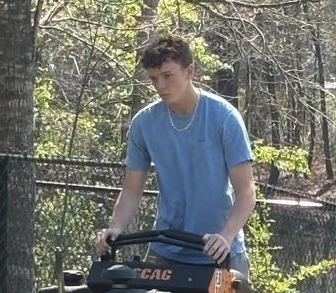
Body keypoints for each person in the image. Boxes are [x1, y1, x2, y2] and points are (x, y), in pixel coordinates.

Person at [95, 34, 256, 274]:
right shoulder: (144, 124)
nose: (160, 86)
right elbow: (131, 189)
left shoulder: (224, 118)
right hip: (166, 250)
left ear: (189, 71)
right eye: (153, 78)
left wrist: (225, 236)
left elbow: (246, 192)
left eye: (168, 76)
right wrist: (115, 227)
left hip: (221, 254)